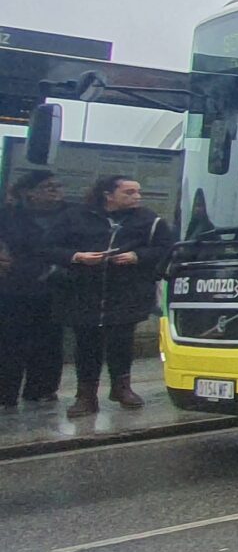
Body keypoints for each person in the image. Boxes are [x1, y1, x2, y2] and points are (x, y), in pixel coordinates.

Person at [44, 175, 174, 417]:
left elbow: (166, 248)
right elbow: (49, 247)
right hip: (83, 290)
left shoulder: (149, 220)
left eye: (138, 192)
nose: (136, 197)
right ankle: (86, 395)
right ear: (108, 194)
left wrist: (137, 256)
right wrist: (78, 256)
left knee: (121, 341)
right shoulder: (75, 217)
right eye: (129, 192)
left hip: (126, 291)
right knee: (86, 344)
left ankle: (121, 386)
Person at [0, 170, 68, 408]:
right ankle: (5, 392)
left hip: (55, 288)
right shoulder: (8, 216)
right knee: (9, 342)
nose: (55, 190)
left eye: (57, 186)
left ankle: (42, 390)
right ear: (27, 192)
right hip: (13, 288)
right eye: (47, 186)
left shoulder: (71, 215)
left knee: (49, 342)